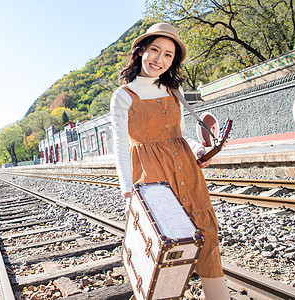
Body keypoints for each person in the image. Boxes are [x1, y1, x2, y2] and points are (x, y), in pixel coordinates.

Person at [110, 23, 230, 300]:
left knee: (207, 235)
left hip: (186, 169)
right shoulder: (123, 95)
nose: (159, 59)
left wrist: (199, 148)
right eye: (155, 50)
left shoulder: (173, 90)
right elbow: (120, 144)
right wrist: (127, 190)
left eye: (167, 55)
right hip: (151, 176)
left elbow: (182, 133)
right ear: (141, 51)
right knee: (166, 245)